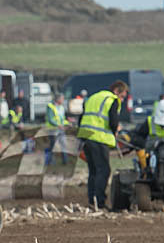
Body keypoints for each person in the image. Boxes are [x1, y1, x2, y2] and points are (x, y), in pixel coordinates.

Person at [76, 81, 128, 209]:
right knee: (104, 170)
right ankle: (99, 202)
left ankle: (91, 200)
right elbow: (113, 120)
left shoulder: (93, 97)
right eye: (122, 96)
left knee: (93, 171)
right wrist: (116, 129)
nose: (121, 99)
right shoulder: (112, 100)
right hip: (99, 138)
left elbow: (81, 118)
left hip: (85, 136)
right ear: (116, 91)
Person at [45, 93, 70, 165]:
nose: (63, 100)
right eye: (62, 99)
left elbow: (62, 119)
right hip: (52, 129)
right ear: (58, 99)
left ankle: (65, 161)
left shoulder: (61, 107)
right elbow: (50, 119)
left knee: (64, 144)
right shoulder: (50, 106)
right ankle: (50, 161)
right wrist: (58, 125)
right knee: (53, 146)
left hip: (61, 129)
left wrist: (68, 123)